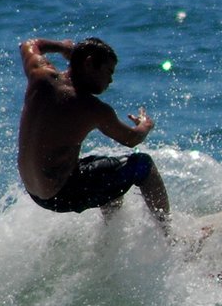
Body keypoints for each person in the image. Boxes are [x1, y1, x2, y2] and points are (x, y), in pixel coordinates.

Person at [17, 37, 171, 233]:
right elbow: (132, 139)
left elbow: (28, 45)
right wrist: (145, 125)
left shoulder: (40, 75)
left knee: (107, 169)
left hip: (34, 191)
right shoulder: (92, 108)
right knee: (143, 165)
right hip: (62, 193)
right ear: (89, 63)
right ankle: (170, 237)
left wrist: (64, 48)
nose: (111, 80)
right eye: (108, 72)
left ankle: (109, 238)